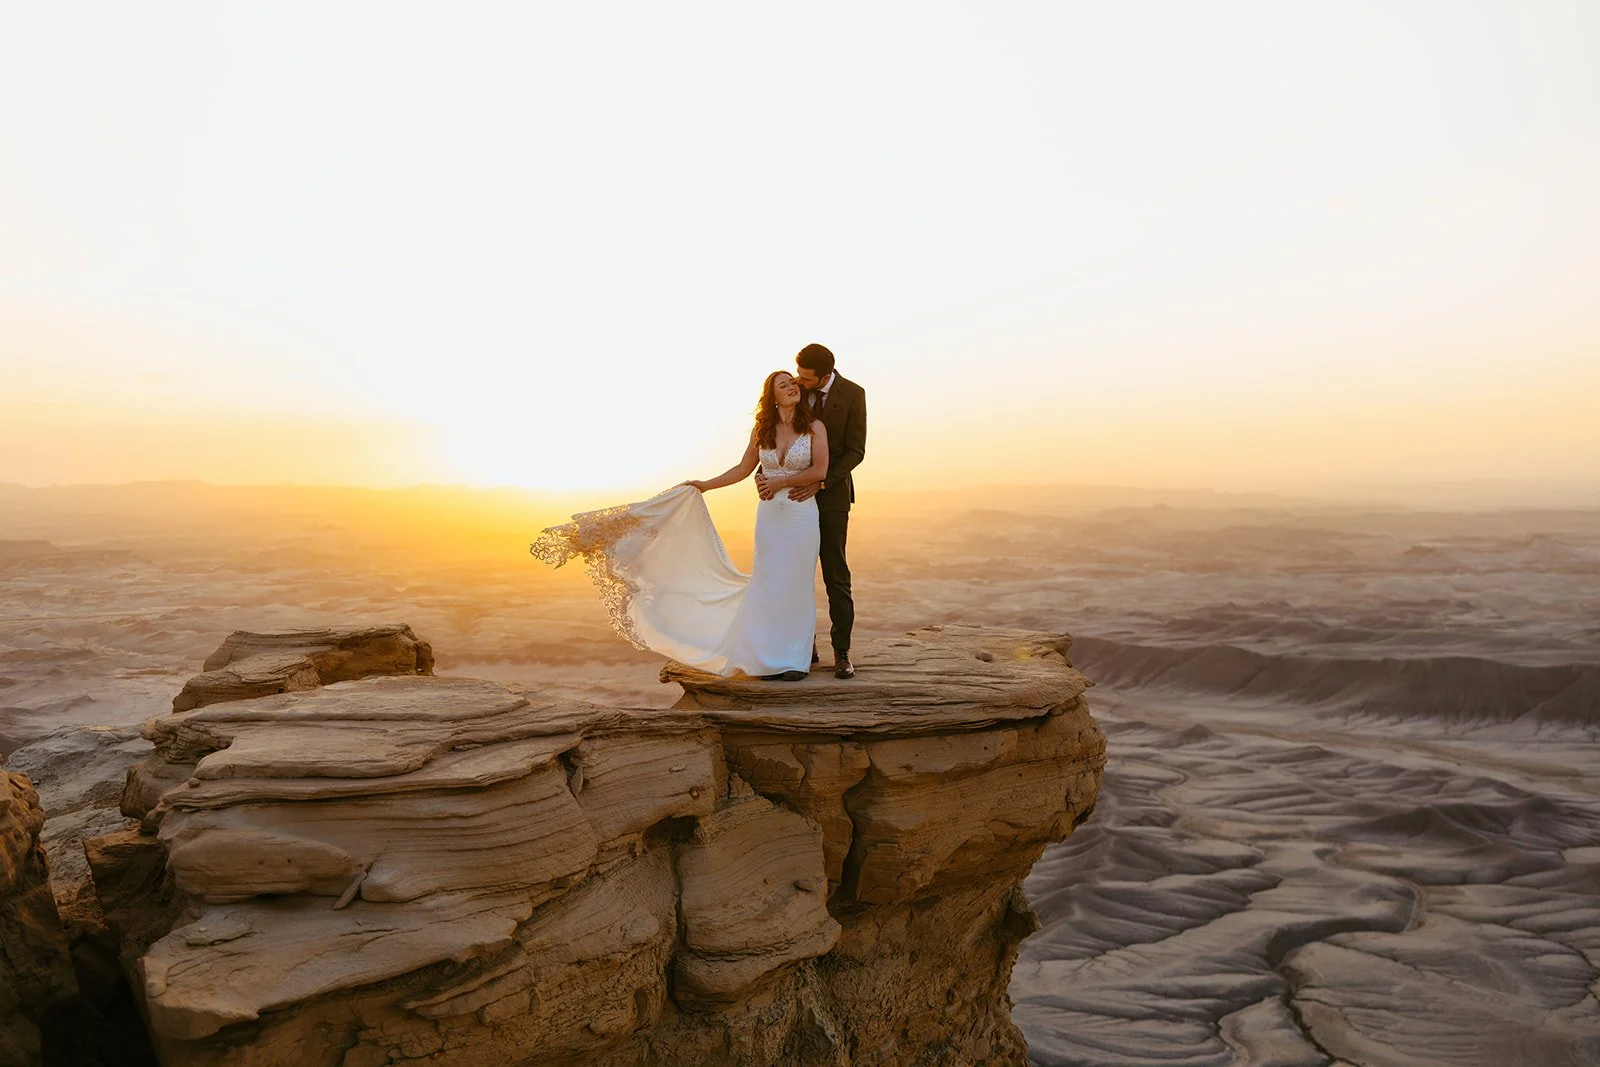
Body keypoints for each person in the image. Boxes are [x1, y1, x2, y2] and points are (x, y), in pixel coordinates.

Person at [530, 370, 828, 680]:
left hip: (800, 515)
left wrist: (780, 482)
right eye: (783, 385)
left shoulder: (814, 427)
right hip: (769, 518)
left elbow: (820, 470)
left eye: (793, 383)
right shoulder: (762, 430)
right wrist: (704, 485)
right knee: (769, 583)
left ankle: (794, 661)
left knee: (797, 583)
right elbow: (742, 469)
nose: (791, 387)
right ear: (772, 397)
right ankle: (769, 659)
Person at [762, 343, 866, 679]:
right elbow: (778, 437)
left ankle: (842, 652)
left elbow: (856, 451)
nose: (799, 382)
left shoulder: (853, 394)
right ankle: (804, 646)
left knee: (835, 574)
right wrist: (765, 475)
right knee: (794, 574)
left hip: (832, 496)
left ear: (825, 375)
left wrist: (821, 483)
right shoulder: (796, 391)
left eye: (806, 378)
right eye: (798, 375)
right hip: (792, 499)